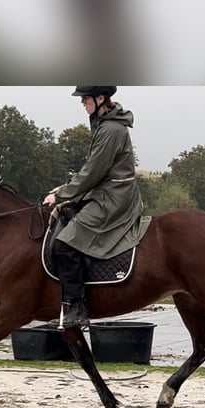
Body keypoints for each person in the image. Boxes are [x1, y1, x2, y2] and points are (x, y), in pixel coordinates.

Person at [43, 85, 150, 330]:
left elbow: (93, 172)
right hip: (103, 191)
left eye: (85, 99)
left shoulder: (111, 129)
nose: (83, 104)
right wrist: (64, 190)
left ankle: (76, 308)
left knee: (64, 243)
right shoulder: (103, 124)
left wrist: (61, 194)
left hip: (114, 198)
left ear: (100, 98)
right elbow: (91, 170)